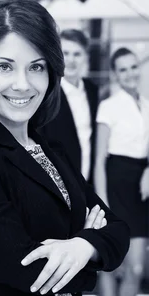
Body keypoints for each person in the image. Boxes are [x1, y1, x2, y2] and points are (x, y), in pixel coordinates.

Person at [0, 0, 130, 296]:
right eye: (4, 66)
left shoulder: (50, 147)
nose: (22, 84)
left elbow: (117, 229)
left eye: (36, 67)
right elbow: (22, 268)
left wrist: (81, 246)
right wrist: (92, 252)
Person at [94, 47, 149, 296]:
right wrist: (103, 206)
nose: (130, 74)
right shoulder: (109, 106)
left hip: (139, 186)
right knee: (111, 266)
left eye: (133, 67)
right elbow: (99, 161)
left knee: (137, 268)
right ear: (115, 74)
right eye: (123, 69)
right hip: (115, 182)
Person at [38, 29, 99, 182]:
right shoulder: (46, 93)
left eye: (77, 54)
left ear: (86, 57)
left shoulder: (93, 91)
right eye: (66, 53)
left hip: (88, 183)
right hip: (58, 184)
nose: (71, 60)